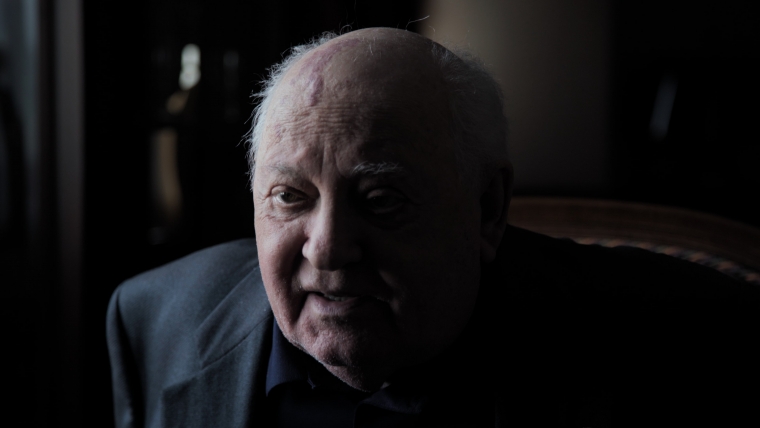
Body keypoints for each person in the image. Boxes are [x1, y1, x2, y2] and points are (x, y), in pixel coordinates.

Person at [107, 28, 759, 428]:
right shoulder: (152, 317)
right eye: (290, 197)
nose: (328, 247)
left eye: (381, 198)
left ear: (487, 208)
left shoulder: (692, 341)